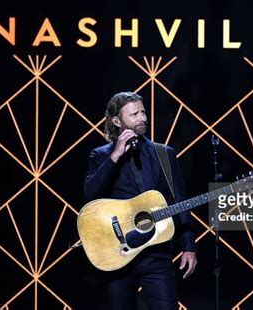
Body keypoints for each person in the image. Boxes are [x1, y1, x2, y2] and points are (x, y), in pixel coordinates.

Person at [83, 91, 197, 310]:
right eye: (134, 114)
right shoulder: (100, 155)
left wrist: (189, 247)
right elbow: (90, 195)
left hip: (157, 254)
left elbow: (181, 201)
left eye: (143, 112)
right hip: (118, 254)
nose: (143, 118)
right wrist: (114, 156)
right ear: (117, 120)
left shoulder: (165, 154)